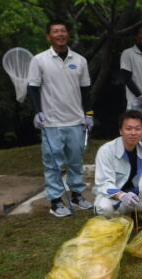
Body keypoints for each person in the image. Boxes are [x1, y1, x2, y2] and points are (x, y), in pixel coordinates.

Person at [27, 20, 94, 218]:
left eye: (63, 30)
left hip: (76, 120)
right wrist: (38, 111)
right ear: (48, 36)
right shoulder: (39, 60)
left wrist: (88, 114)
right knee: (53, 163)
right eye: (55, 31)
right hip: (51, 121)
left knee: (75, 160)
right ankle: (55, 201)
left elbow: (86, 89)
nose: (60, 34)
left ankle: (76, 195)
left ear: (68, 35)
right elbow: (32, 87)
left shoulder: (80, 60)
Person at [93, 110, 142, 217]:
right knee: (105, 208)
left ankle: (135, 214)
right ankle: (121, 215)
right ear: (120, 131)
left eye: (137, 129)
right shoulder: (106, 151)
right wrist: (121, 195)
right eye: (128, 129)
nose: (133, 133)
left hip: (138, 197)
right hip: (115, 198)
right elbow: (103, 183)